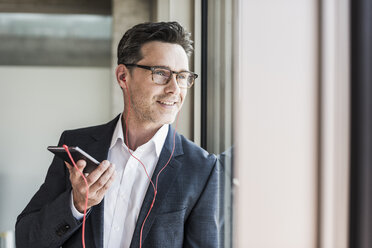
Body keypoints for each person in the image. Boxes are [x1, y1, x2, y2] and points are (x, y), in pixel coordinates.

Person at [15, 21, 223, 248]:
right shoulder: (77, 145)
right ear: (123, 76)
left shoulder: (202, 168)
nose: (174, 89)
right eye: (161, 73)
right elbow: (26, 239)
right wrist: (75, 205)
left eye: (182, 76)